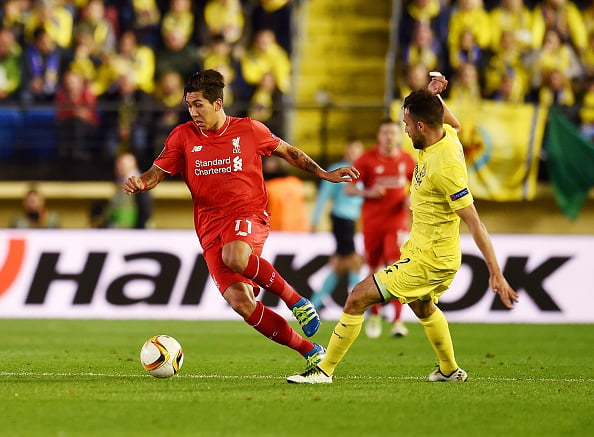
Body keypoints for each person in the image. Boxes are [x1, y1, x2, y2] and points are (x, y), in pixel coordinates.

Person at [287, 73, 519, 384]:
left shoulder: (446, 167)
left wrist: (496, 272)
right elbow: (453, 122)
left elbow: (474, 221)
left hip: (432, 257)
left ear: (421, 127)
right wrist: (430, 94)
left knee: (357, 297)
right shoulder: (446, 135)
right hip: (421, 248)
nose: (405, 131)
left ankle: (324, 369)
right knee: (423, 308)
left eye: (408, 125)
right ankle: (449, 370)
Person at [122, 69, 360, 370]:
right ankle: (310, 350)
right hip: (209, 228)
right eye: (189, 105)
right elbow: (158, 171)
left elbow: (289, 152)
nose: (193, 112)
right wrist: (142, 182)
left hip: (249, 214)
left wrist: (324, 173)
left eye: (199, 105)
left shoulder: (249, 130)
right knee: (241, 302)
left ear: (218, 104)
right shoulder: (182, 136)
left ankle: (298, 302)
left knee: (235, 255)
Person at [345, 119, 416, 339]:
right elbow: (348, 188)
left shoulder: (406, 159)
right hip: (373, 224)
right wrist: (369, 192)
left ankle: (397, 320)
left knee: (396, 267)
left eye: (393, 133)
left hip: (397, 223)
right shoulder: (366, 159)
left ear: (399, 136)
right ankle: (374, 315)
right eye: (385, 133)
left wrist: (411, 198)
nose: (389, 137)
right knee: (374, 268)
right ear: (379, 136)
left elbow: (419, 184)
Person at [309, 138, 365, 311]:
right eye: (351, 150)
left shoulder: (364, 170)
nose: (354, 154)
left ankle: (314, 304)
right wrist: (315, 220)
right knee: (354, 262)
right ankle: (362, 305)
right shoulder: (340, 169)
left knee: (339, 265)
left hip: (351, 221)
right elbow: (323, 195)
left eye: (357, 150)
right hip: (340, 219)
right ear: (346, 152)